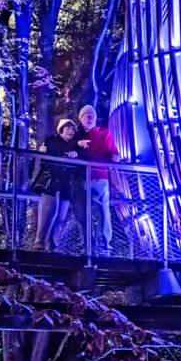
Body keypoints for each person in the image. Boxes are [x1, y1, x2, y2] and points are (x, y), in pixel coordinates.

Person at [72, 105, 120, 254]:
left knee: (103, 211)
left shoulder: (104, 133)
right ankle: (86, 245)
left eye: (92, 114)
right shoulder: (75, 135)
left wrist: (116, 158)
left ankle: (105, 246)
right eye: (86, 115)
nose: (90, 117)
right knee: (82, 212)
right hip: (80, 179)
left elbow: (114, 153)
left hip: (99, 177)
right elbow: (65, 146)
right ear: (80, 118)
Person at [32, 119, 78, 251]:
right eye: (68, 127)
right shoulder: (52, 140)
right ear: (61, 129)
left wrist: (75, 153)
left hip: (65, 182)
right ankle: (39, 245)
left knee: (61, 215)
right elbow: (54, 150)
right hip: (51, 180)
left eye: (73, 128)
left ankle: (53, 246)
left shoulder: (73, 145)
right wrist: (70, 153)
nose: (71, 131)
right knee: (50, 211)